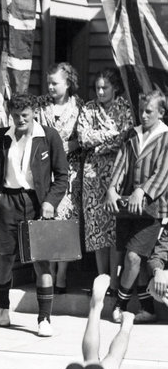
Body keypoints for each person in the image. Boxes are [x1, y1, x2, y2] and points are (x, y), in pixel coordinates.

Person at [0, 92, 69, 337]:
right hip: (8, 202)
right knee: (6, 259)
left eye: (25, 115)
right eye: (15, 115)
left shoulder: (49, 137)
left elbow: (62, 176)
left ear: (34, 113)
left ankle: (44, 319)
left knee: (41, 261)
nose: (20, 120)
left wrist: (50, 202)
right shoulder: (2, 137)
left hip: (36, 203)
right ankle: (2, 307)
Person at [106, 90, 168, 325]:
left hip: (153, 209)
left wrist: (142, 191)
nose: (143, 115)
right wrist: (112, 188)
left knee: (133, 257)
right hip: (129, 208)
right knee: (134, 258)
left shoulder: (165, 138)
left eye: (149, 111)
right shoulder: (133, 135)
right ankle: (147, 308)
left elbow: (163, 173)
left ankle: (120, 304)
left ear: (161, 113)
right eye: (141, 110)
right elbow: (122, 163)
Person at [78, 69, 133, 292]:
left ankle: (114, 280)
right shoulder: (88, 108)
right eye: (98, 88)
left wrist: (99, 142)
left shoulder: (124, 107)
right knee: (96, 227)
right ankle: (101, 278)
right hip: (92, 173)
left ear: (115, 88)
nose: (100, 92)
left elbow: (125, 135)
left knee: (114, 225)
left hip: (117, 171)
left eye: (105, 88)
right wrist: (110, 136)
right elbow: (83, 138)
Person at [38, 63, 83, 294]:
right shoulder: (40, 106)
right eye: (49, 83)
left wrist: (67, 146)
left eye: (55, 83)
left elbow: (83, 138)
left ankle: (62, 275)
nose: (51, 87)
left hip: (70, 171)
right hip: (46, 169)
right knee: (49, 221)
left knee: (65, 223)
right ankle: (50, 274)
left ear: (68, 83)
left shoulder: (79, 107)